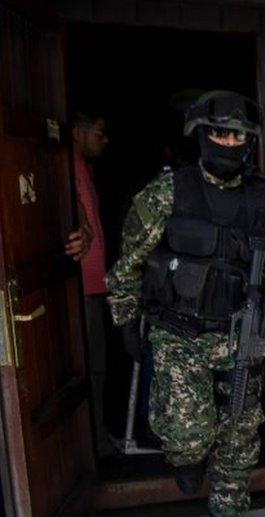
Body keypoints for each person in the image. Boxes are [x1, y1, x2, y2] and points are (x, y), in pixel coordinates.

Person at [106, 90, 265, 516]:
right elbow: (127, 265)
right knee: (189, 435)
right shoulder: (166, 193)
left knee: (238, 447)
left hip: (241, 338)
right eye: (220, 135)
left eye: (237, 138)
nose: (228, 145)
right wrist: (127, 322)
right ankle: (185, 456)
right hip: (178, 336)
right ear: (201, 135)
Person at [64, 112, 112, 456]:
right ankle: (92, 448)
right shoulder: (65, 165)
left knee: (98, 366)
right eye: (100, 132)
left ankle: (97, 440)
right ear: (78, 132)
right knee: (90, 369)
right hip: (79, 287)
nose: (104, 139)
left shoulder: (84, 168)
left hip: (94, 285)